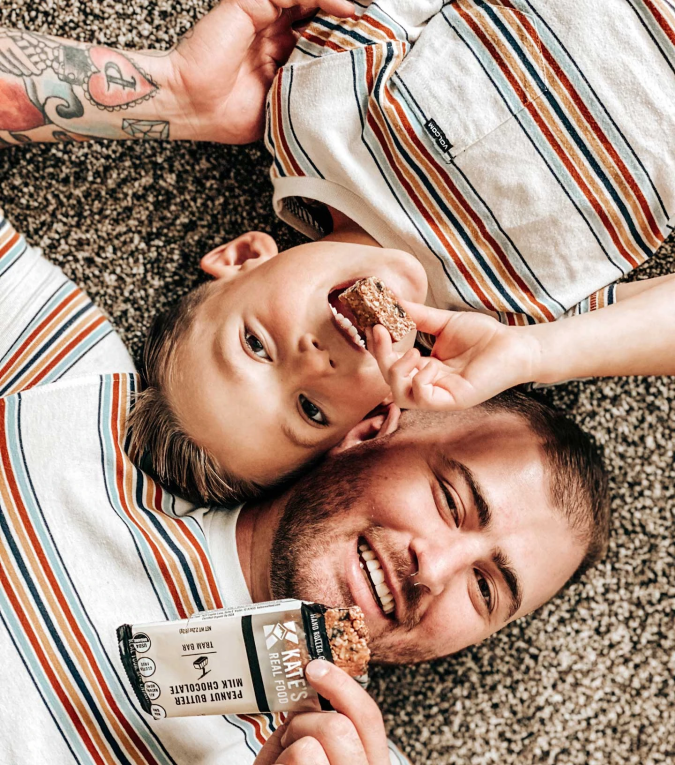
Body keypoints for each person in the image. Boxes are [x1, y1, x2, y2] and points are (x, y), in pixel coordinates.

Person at [0, 205, 609, 765]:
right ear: (372, 430)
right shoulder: (71, 391)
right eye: (451, 501)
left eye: (484, 590)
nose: (433, 571)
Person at [2, 0, 672, 511]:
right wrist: (538, 354)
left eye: (256, 346)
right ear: (378, 419)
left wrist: (174, 88)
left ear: (241, 257)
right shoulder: (515, 323)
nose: (312, 364)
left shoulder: (313, 119)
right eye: (311, 411)